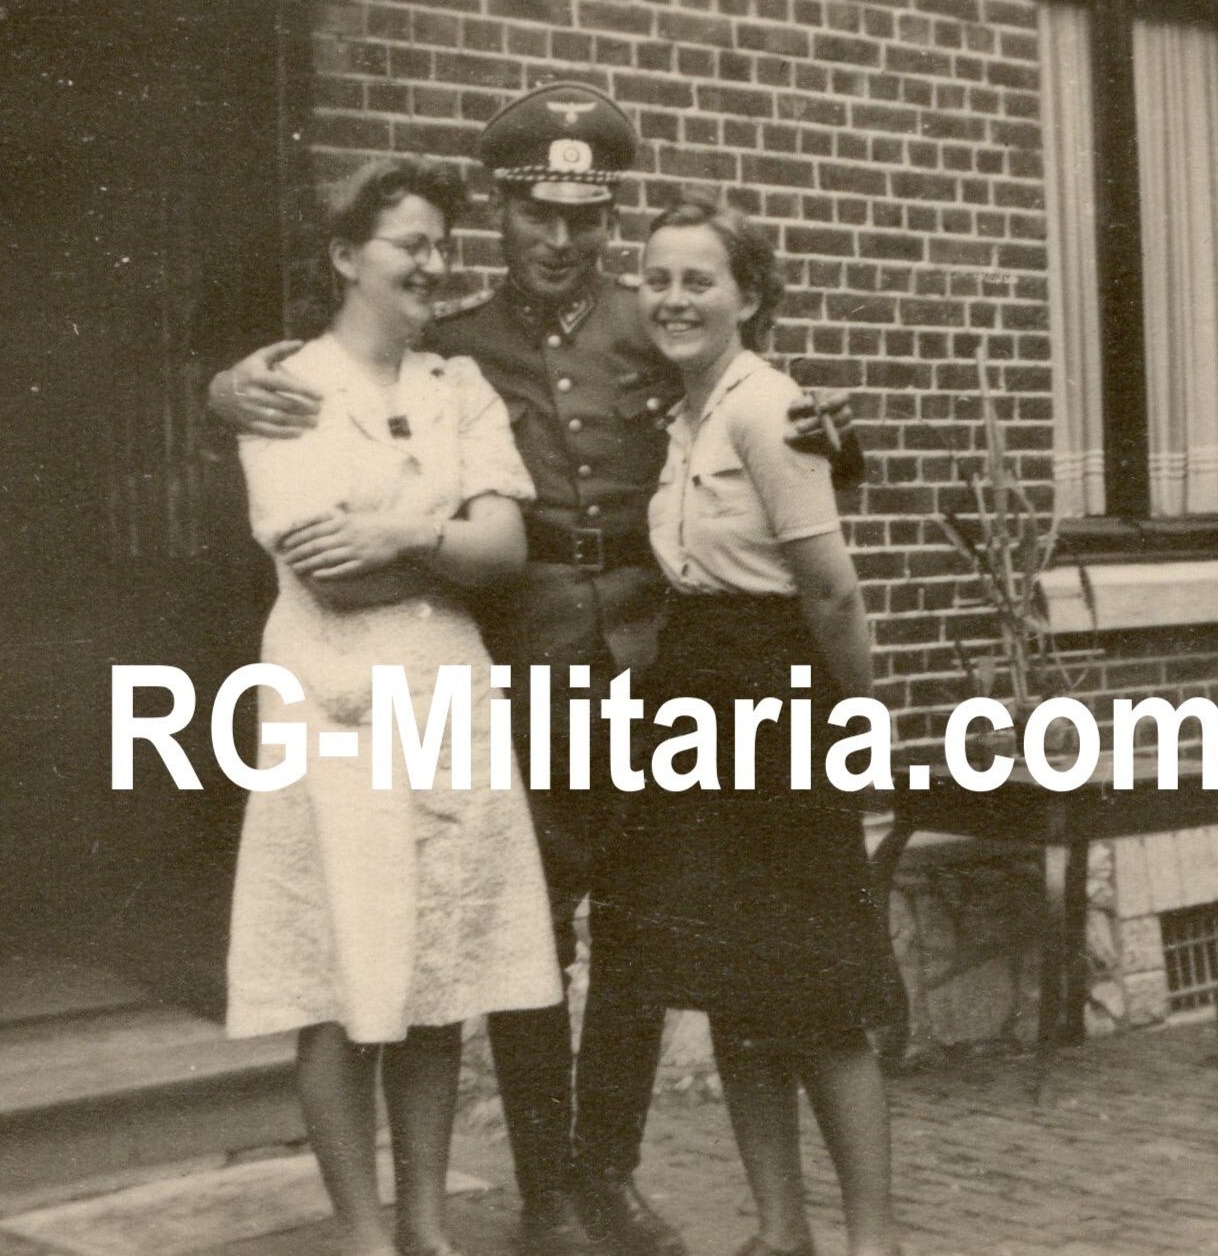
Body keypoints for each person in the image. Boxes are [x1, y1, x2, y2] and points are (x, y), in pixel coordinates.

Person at [211, 83, 860, 1256]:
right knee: (525, 935)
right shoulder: (452, 344)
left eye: (586, 217)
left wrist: (836, 437)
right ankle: (547, 1189)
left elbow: (757, 409)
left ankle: (606, 1172)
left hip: (657, 663)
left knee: (643, 931)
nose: (561, 242)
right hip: (518, 658)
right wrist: (222, 390)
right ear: (502, 213)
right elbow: (329, 385)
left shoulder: (654, 322)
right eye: (533, 215)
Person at [224, 158, 562, 1256]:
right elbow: (327, 573)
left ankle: (426, 1229)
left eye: (438, 245)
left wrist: (404, 535)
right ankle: (367, 1238)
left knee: (435, 975)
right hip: (332, 707)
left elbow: (504, 550)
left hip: (448, 702)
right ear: (343, 256)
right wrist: (439, 537)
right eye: (410, 244)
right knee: (343, 971)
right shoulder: (284, 390)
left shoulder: (453, 387)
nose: (433, 263)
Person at [609, 197, 905, 1256]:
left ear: (749, 296)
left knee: (816, 989)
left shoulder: (765, 407)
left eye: (700, 280)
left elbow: (830, 592)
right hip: (697, 701)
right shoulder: (682, 414)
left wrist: (853, 725)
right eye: (658, 279)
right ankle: (780, 1234)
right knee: (733, 984)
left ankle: (870, 1240)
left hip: (781, 704)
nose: (675, 298)